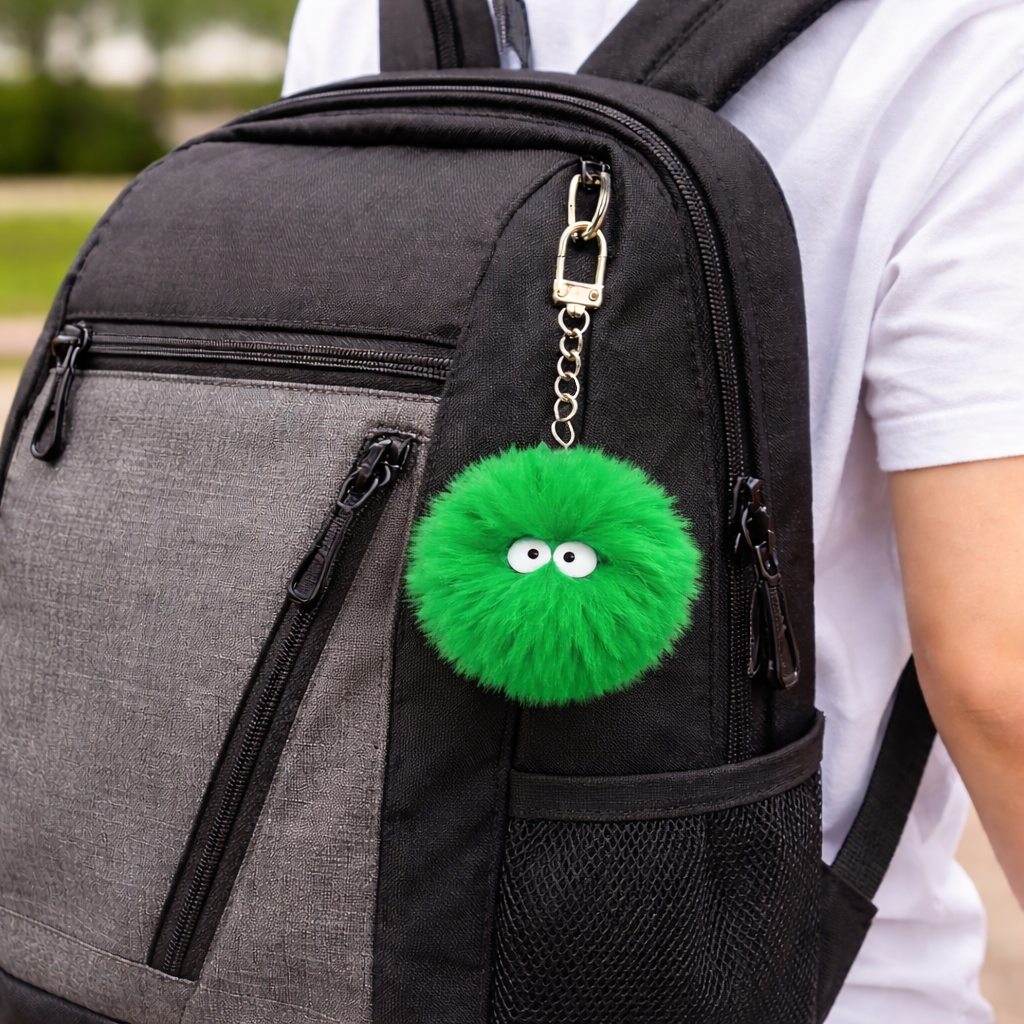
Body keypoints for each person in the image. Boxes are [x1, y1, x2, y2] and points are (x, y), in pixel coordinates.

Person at [282, 1, 1024, 1020]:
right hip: (786, 977)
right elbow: (998, 673)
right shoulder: (962, 34)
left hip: (352, 947)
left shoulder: (352, 10)